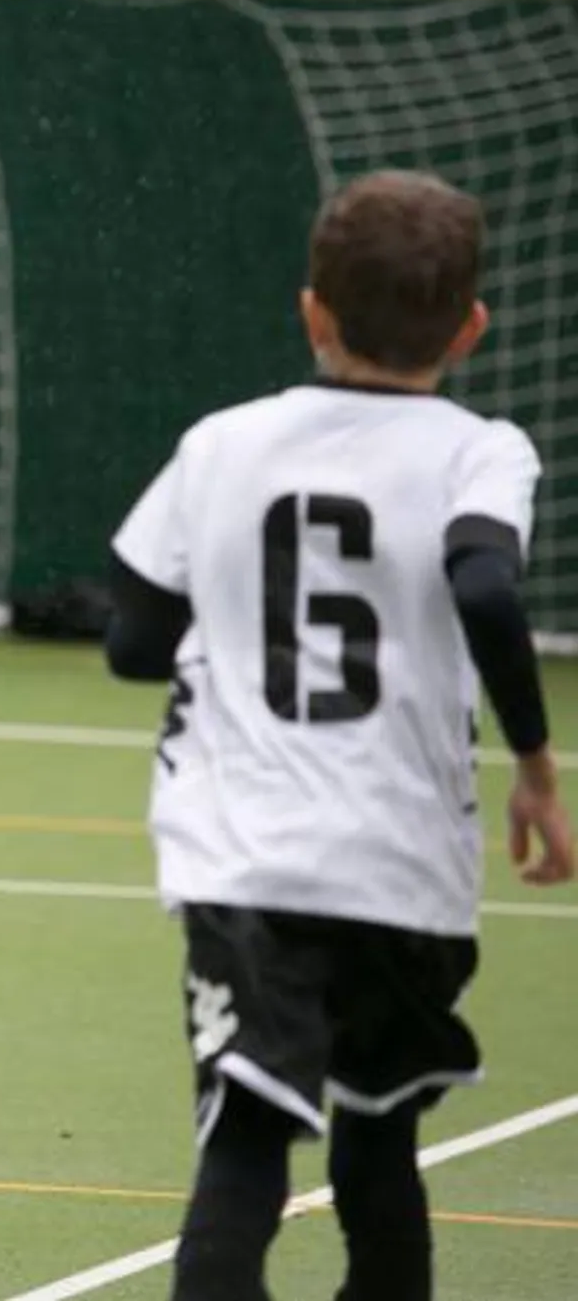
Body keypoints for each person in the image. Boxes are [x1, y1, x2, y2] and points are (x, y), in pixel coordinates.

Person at [104, 168, 574, 1301]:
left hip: (248, 861)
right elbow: (485, 587)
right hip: (403, 863)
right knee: (377, 1153)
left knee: (243, 1154)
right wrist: (532, 764)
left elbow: (130, 638)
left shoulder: (223, 443)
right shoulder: (479, 451)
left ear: (310, 308)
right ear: (468, 326)